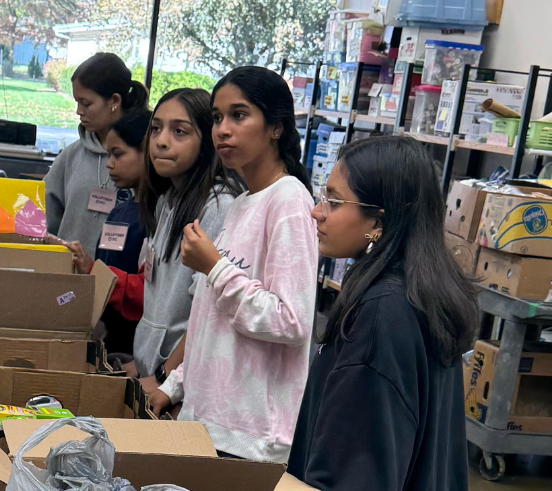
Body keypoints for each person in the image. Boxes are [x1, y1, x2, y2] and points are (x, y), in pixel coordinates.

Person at [148, 66, 318, 463]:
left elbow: (291, 321)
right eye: (217, 118)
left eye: (239, 116)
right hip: (208, 424)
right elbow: (212, 325)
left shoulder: (289, 202)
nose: (223, 129)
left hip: (251, 437)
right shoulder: (242, 204)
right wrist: (174, 385)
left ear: (275, 127)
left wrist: (216, 268)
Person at [289, 136, 473, 491]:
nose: (317, 211)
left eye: (334, 200)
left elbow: (352, 476)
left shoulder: (380, 316)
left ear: (378, 221)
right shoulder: (421, 293)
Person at [134, 87, 240, 388]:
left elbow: (206, 311)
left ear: (207, 140)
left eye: (179, 131)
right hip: (152, 368)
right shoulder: (167, 198)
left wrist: (163, 376)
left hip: (178, 381)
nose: (161, 141)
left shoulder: (218, 206)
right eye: (155, 129)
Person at [48, 53, 149, 259]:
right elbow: (42, 217)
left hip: (121, 284)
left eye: (86, 103)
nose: (78, 111)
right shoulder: (71, 156)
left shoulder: (146, 158)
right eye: (77, 102)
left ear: (114, 101)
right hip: (68, 280)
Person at [68, 114, 150, 360]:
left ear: (147, 152)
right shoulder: (120, 208)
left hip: (134, 342)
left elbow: (147, 291)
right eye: (108, 155)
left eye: (118, 154)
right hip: (109, 334)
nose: (109, 164)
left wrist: (94, 270)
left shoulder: (156, 218)